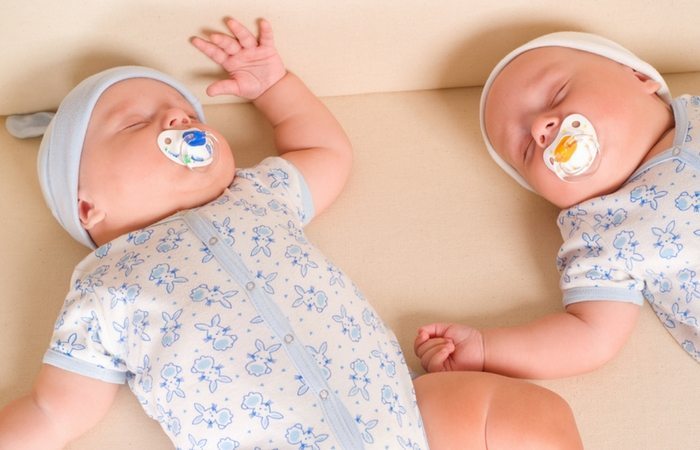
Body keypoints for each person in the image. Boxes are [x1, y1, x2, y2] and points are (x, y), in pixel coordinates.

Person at [0, 18, 582, 449]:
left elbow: (323, 150)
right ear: (86, 205)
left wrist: (273, 87)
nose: (178, 120)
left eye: (189, 115)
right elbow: (54, 412)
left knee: (533, 420)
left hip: (402, 415)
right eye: (133, 122)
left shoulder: (255, 195)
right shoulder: (104, 286)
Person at [415, 31, 700, 380]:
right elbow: (590, 336)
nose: (540, 129)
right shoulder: (599, 233)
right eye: (525, 150)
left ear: (639, 77)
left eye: (557, 93)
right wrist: (486, 349)